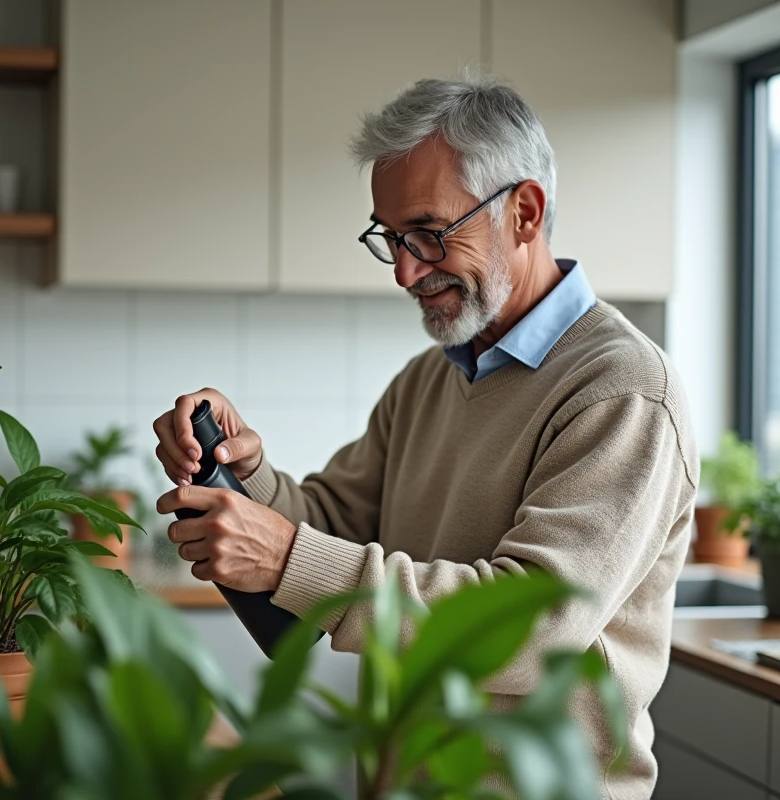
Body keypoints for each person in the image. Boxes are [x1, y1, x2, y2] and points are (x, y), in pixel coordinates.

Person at [153, 75, 697, 799]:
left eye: (430, 234)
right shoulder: (429, 380)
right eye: (391, 239)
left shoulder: (622, 388)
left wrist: (285, 556)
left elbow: (533, 626)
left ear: (525, 213)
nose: (407, 270)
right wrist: (246, 471)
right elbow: (337, 525)